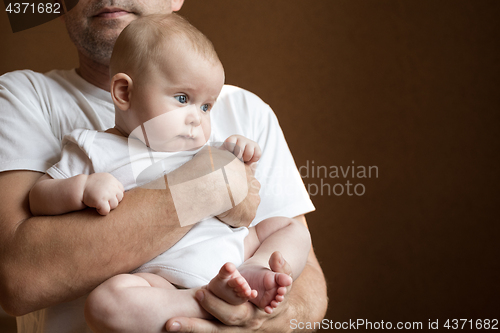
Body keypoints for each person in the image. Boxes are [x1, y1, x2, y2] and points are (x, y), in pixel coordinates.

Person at [0, 0, 327, 332]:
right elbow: (16, 280)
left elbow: (308, 289)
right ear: (123, 91)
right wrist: (210, 187)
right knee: (109, 302)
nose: (197, 117)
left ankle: (247, 273)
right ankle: (199, 299)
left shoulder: (245, 109)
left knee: (290, 232)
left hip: (231, 259)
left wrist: (259, 320)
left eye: (206, 107)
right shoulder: (27, 101)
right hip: (158, 283)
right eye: (182, 99)